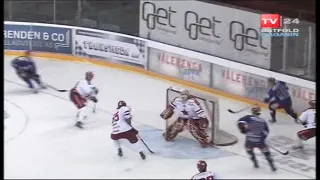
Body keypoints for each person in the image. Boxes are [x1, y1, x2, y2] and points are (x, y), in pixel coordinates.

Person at [237, 106, 277, 171]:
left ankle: (255, 162)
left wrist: (243, 129)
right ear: (259, 113)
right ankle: (272, 165)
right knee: (266, 152)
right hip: (260, 141)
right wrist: (263, 138)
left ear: (252, 112)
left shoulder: (248, 117)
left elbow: (240, 122)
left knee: (249, 150)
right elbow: (266, 131)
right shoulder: (263, 121)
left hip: (249, 141)